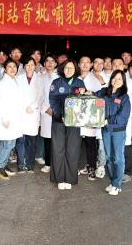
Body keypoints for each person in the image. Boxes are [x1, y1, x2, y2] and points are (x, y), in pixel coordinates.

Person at [49, 59, 86, 190]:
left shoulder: (79, 83)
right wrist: (62, 115)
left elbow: (84, 102)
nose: (68, 70)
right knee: (58, 149)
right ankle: (59, 178)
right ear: (62, 69)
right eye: (66, 68)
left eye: (71, 68)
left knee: (72, 149)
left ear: (75, 69)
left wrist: (84, 94)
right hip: (58, 120)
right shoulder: (56, 82)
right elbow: (52, 100)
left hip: (74, 122)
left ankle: (69, 178)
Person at [96, 70, 131, 195]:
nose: (116, 81)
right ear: (111, 79)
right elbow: (93, 96)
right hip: (106, 130)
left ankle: (117, 184)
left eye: (120, 79)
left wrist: (108, 120)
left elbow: (123, 116)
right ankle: (112, 182)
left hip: (118, 132)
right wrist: (85, 92)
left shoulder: (124, 97)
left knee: (118, 158)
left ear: (123, 82)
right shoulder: (104, 92)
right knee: (109, 158)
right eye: (114, 78)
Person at [0, 59, 26, 180]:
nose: (12, 69)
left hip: (14, 118)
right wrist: (4, 118)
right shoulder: (3, 84)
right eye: (9, 66)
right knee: (6, 144)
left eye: (14, 67)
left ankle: (4, 164)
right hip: (6, 119)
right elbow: (1, 102)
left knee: (10, 144)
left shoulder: (14, 81)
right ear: (5, 69)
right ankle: (0, 168)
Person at [16, 57, 41, 173]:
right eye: (27, 65)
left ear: (35, 66)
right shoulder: (18, 78)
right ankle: (21, 165)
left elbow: (41, 95)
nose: (30, 67)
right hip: (21, 113)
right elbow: (16, 94)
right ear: (24, 66)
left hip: (33, 113)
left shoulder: (39, 78)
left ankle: (30, 165)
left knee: (31, 142)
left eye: (32, 65)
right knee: (20, 142)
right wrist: (24, 106)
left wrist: (33, 106)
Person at [38, 54, 59, 172]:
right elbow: (39, 96)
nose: (50, 63)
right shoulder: (40, 77)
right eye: (47, 61)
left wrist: (55, 109)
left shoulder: (60, 77)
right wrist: (46, 109)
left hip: (58, 112)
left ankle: (57, 164)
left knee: (58, 139)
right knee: (47, 139)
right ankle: (48, 164)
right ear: (44, 63)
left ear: (56, 63)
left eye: (52, 61)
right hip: (46, 112)